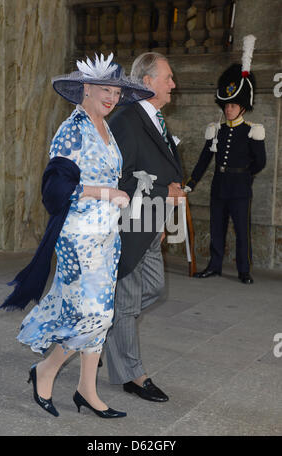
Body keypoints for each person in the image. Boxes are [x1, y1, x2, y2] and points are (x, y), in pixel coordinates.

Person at [0, 53, 154, 418]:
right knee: (91, 313)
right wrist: (106, 193)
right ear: (86, 88)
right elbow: (55, 187)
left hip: (105, 236)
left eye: (116, 91)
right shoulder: (73, 129)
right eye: (105, 90)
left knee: (102, 313)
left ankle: (86, 389)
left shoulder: (105, 127)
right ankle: (47, 369)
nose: (112, 98)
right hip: (78, 237)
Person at [104, 52, 185, 402]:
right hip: (131, 223)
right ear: (147, 82)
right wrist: (160, 191)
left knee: (153, 289)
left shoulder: (154, 118)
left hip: (151, 220)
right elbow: (119, 177)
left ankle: (102, 331)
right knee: (127, 301)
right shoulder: (126, 118)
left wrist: (163, 213)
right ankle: (133, 375)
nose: (173, 84)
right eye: (167, 78)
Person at [185, 36, 266, 284]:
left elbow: (260, 162)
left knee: (242, 231)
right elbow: (203, 160)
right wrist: (191, 182)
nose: (228, 109)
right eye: (226, 106)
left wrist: (243, 174)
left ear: (242, 107)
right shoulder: (216, 130)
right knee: (216, 229)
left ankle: (244, 270)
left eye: (233, 105)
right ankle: (214, 265)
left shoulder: (252, 130)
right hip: (219, 185)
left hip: (240, 187)